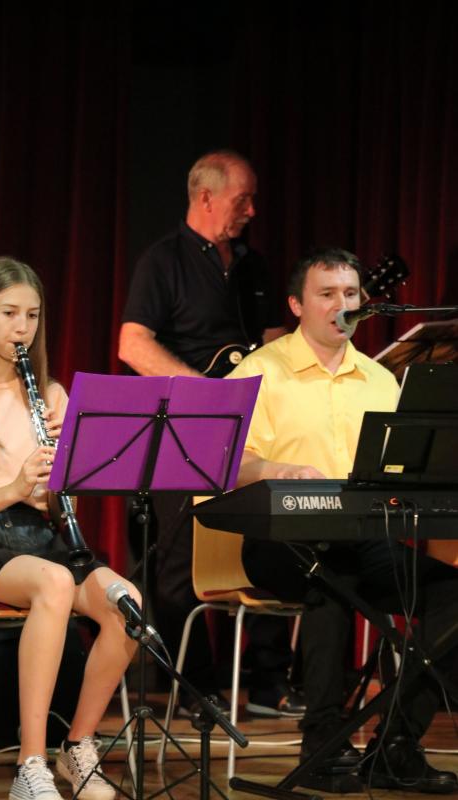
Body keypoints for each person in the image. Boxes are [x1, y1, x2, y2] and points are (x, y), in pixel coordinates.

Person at [226, 246, 458, 792]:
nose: (342, 304)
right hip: (278, 539)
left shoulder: (380, 380)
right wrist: (277, 469)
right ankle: (323, 745)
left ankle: (395, 745)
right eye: (327, 294)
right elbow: (227, 462)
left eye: (351, 294)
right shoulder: (260, 370)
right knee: (330, 578)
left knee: (451, 594)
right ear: (296, 305)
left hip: (360, 537)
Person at [0, 257, 139, 800]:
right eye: (9, 313)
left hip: (35, 539)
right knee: (54, 582)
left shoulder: (52, 395)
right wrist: (14, 488)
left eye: (33, 315)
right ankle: (30, 764)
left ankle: (78, 744)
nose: (22, 328)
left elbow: (61, 507)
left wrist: (71, 468)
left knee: (126, 603)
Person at [118, 150, 304, 718]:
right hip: (184, 427)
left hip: (253, 427)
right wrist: (205, 391)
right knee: (179, 564)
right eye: (242, 199)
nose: (252, 210)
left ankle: (269, 683)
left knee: (273, 539)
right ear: (205, 197)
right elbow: (133, 345)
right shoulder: (162, 261)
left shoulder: (253, 266)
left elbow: (274, 342)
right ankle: (194, 688)